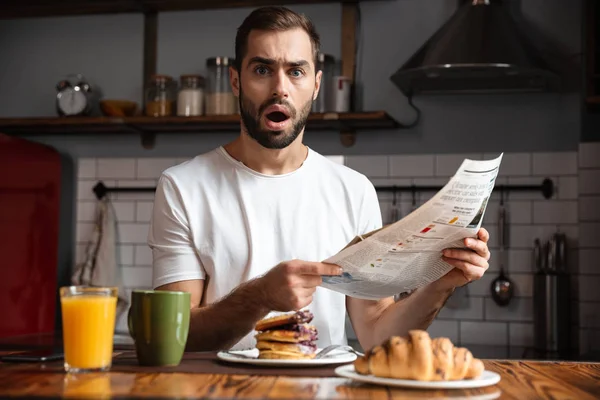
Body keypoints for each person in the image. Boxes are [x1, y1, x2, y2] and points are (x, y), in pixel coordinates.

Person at [148, 6, 491, 352]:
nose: (280, 88)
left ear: (315, 85)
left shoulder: (354, 191)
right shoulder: (183, 187)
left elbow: (377, 334)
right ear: (236, 81)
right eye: (262, 69)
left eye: (295, 71)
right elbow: (175, 336)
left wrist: (440, 283)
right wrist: (261, 295)